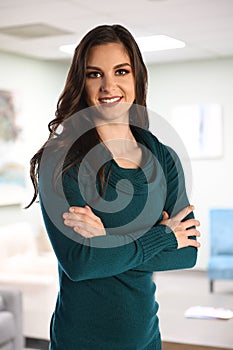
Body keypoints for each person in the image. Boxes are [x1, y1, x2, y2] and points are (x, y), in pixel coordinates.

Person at [27, 24, 201, 350]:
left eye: (121, 71)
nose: (109, 85)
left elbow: (187, 253)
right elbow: (80, 264)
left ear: (137, 78)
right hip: (81, 341)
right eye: (95, 74)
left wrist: (105, 242)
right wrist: (161, 235)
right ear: (82, 82)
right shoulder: (63, 160)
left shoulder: (163, 157)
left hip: (147, 339)